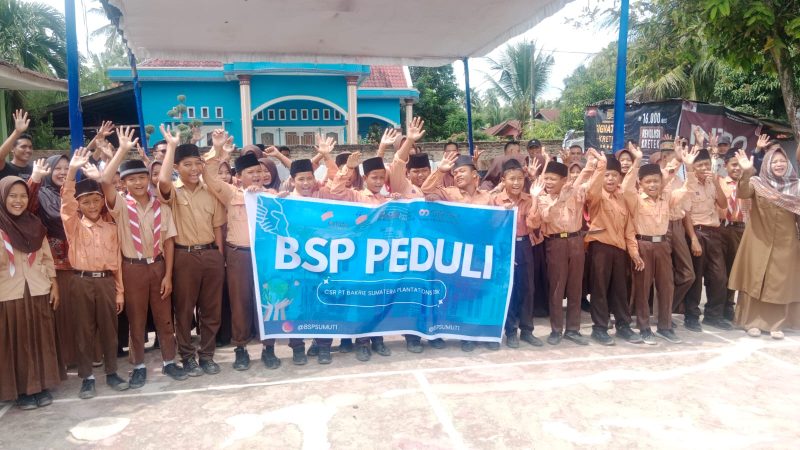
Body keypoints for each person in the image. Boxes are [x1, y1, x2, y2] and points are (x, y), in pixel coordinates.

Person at [204, 130, 308, 368]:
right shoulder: (230, 193)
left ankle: (268, 348)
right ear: (239, 177)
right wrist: (217, 150)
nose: (257, 176)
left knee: (268, 301)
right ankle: (241, 349)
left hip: (267, 257)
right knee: (240, 302)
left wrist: (280, 200)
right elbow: (209, 177)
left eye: (260, 172)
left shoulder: (271, 195)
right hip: (239, 255)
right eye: (251, 173)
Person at [100, 127, 187, 387]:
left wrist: (168, 275)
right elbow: (105, 181)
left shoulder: (161, 205)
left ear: (148, 179)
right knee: (136, 320)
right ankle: (138, 365)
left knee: (164, 318)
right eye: (132, 179)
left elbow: (169, 242)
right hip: (133, 268)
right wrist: (122, 150)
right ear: (123, 183)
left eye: (142, 178)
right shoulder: (120, 205)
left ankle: (169, 361)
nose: (138, 183)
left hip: (158, 266)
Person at [157, 125, 226, 377]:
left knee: (211, 310)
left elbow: (217, 227)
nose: (194, 169)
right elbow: (163, 181)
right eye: (187, 164)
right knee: (184, 311)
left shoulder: (211, 193)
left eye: (198, 163)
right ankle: (187, 357)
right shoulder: (173, 192)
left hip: (210, 255)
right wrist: (171, 146)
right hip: (183, 256)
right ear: (177, 167)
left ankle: (207, 355)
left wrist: (219, 258)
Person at [61, 148, 129, 399]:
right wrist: (72, 171)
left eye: (96, 200)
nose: (92, 205)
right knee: (84, 330)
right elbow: (66, 203)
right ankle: (87, 377)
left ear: (102, 202)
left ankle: (112, 372)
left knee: (110, 330)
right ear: (79, 205)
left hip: (106, 282)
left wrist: (119, 292)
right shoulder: (74, 226)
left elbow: (116, 263)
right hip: (81, 282)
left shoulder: (110, 227)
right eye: (86, 202)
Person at [422, 152, 494, 352]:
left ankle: (483, 332)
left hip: (480, 254)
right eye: (455, 173)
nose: (458, 175)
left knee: (481, 293)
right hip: (457, 254)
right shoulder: (450, 194)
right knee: (461, 295)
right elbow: (426, 190)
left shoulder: (488, 197)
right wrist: (440, 170)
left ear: (475, 174)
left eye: (462, 171)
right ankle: (465, 335)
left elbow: (498, 223)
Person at [0, 176, 62, 410]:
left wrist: (54, 284)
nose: (18, 201)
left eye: (23, 196)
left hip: (38, 289)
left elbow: (46, 257)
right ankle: (22, 391)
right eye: (12, 196)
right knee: (16, 342)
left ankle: (42, 385)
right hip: (9, 294)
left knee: (40, 338)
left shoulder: (35, 224)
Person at [328, 151, 394, 362]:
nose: (378, 181)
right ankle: (362, 342)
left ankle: (378, 339)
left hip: (382, 258)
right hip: (360, 258)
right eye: (374, 177)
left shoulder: (388, 200)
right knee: (362, 300)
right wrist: (348, 168)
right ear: (365, 178)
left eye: (382, 177)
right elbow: (335, 191)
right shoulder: (355, 196)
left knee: (379, 298)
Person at [729, 148, 800, 338]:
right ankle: (751, 322)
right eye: (774, 161)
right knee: (755, 279)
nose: (779, 164)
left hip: (786, 243)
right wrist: (746, 172)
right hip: (758, 240)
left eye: (782, 161)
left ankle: (776, 325)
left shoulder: (796, 186)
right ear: (767, 164)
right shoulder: (757, 183)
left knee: (779, 283)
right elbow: (743, 193)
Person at [621, 147, 683, 344]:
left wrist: (683, 162)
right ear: (640, 183)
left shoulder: (667, 198)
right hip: (643, 245)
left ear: (661, 182)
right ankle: (644, 327)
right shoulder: (636, 200)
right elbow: (626, 188)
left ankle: (665, 326)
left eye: (656, 181)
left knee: (666, 286)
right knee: (642, 287)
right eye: (648, 182)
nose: (653, 185)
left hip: (663, 245)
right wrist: (637, 161)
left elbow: (686, 188)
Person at [528, 158, 592, 346]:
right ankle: (556, 329)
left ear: (564, 180)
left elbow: (585, 177)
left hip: (576, 241)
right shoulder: (542, 198)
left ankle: (573, 329)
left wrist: (592, 165)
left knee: (575, 287)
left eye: (552, 179)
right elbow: (545, 217)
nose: (548, 182)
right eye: (546, 178)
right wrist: (560, 201)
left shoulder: (575, 192)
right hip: (555, 244)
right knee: (556, 287)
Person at [26, 155, 78, 372]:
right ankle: (63, 358)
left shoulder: (74, 192)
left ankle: (83, 356)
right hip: (53, 265)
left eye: (67, 168)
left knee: (78, 313)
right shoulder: (40, 194)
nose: (63, 172)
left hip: (79, 263)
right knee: (59, 313)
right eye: (58, 168)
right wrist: (35, 178)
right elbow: (25, 206)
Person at [584, 150, 641, 345]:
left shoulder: (622, 198)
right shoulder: (597, 196)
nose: (610, 179)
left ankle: (623, 326)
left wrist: (634, 252)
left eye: (614, 175)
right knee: (599, 289)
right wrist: (600, 167)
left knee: (620, 290)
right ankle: (599, 328)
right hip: (600, 247)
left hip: (620, 250)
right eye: (607, 175)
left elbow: (629, 229)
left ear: (619, 178)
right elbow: (591, 191)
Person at [493, 158, 543, 348]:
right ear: (503, 180)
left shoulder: (528, 199)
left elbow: (534, 223)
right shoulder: (495, 200)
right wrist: (501, 214)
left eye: (520, 179)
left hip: (524, 246)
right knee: (510, 290)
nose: (516, 183)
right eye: (512, 179)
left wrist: (536, 198)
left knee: (527, 289)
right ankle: (511, 331)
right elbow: (490, 227)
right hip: (504, 247)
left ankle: (527, 330)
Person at [681, 147, 733, 332]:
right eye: (700, 165)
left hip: (714, 233)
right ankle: (691, 316)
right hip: (697, 232)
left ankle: (713, 316)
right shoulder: (689, 184)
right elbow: (686, 214)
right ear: (693, 167)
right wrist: (693, 239)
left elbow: (723, 204)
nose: (704, 168)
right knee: (696, 278)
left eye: (706, 164)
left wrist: (716, 183)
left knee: (719, 277)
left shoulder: (713, 182)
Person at [718, 150, 750, 321]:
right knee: (721, 270)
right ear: (726, 166)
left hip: (743, 229)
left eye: (740, 165)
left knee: (735, 269)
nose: (737, 168)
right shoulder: (720, 182)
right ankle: (719, 305)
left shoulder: (750, 185)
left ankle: (730, 304)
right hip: (723, 229)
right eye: (733, 164)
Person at [0, 110, 34, 181]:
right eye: (23, 146)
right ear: (12, 149)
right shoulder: (4, 167)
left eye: (30, 147)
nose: (28, 150)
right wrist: (17, 132)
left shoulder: (35, 170)